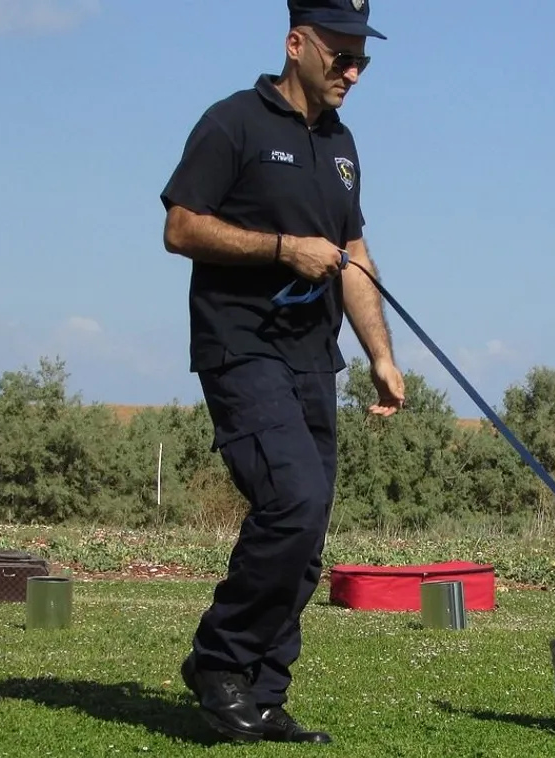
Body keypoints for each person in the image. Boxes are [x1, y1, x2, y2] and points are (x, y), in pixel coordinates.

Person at [157, 0, 404, 745]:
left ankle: (263, 694)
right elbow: (180, 228)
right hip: (241, 349)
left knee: (307, 530)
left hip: (312, 359)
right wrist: (281, 249)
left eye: (362, 59)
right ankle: (219, 663)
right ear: (297, 44)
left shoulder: (341, 143)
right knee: (292, 502)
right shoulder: (231, 122)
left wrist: (381, 355)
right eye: (341, 56)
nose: (353, 72)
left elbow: (354, 255)